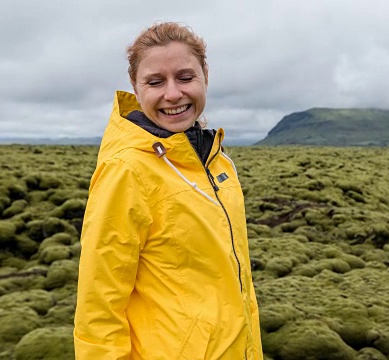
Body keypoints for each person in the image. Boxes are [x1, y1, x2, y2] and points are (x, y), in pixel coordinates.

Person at [73, 22, 263, 359]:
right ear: (135, 86)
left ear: (206, 74)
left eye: (185, 77)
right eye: (155, 82)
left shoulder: (218, 163)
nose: (173, 94)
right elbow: (98, 304)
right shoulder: (127, 171)